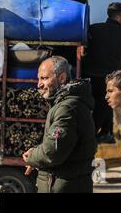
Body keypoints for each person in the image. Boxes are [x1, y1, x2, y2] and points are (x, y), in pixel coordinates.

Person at [22, 56, 97, 193]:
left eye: (44, 78)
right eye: (39, 79)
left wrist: (32, 157)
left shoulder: (67, 108)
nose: (38, 84)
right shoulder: (65, 104)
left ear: (62, 78)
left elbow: (53, 152)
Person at [82, 2, 121, 144]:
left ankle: (105, 133)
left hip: (88, 76)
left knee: (93, 109)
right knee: (103, 108)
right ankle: (91, 137)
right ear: (120, 16)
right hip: (108, 80)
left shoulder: (94, 29)